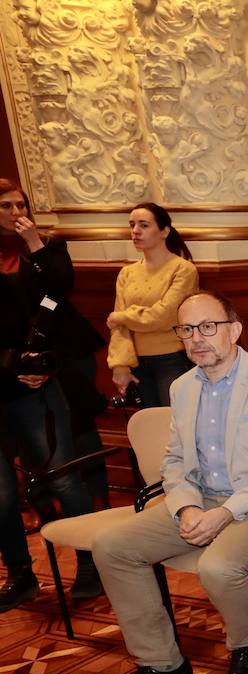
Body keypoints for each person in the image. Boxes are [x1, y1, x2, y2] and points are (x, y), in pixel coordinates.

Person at [88, 291, 248, 674]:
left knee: (217, 566)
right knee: (112, 547)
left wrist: (227, 512)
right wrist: (186, 508)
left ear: (235, 330)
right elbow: (174, 461)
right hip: (202, 500)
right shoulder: (183, 387)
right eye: (187, 329)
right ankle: (162, 665)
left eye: (208, 327)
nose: (197, 338)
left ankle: (247, 646)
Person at [0, 178, 104, 609]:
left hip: (36, 382)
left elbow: (59, 294)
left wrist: (34, 243)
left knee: (62, 474)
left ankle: (92, 562)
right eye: (6, 206)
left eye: (20, 204)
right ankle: (20, 573)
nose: (16, 212)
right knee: (2, 493)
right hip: (1, 377)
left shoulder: (45, 250)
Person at [107, 202, 198, 408]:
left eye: (144, 225)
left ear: (164, 231)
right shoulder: (127, 273)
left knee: (175, 419)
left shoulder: (183, 269)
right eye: (132, 225)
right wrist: (120, 365)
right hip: (137, 361)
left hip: (172, 358)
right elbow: (119, 329)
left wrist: (121, 316)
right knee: (149, 422)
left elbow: (164, 316)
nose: (135, 231)